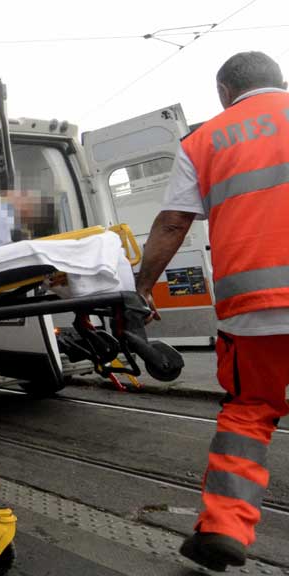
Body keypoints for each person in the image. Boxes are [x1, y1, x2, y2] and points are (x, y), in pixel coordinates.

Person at [135, 51, 289, 572]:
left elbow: (174, 223)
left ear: (225, 91)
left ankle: (224, 527)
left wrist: (141, 287)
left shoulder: (202, 141)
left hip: (254, 311)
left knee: (249, 413)